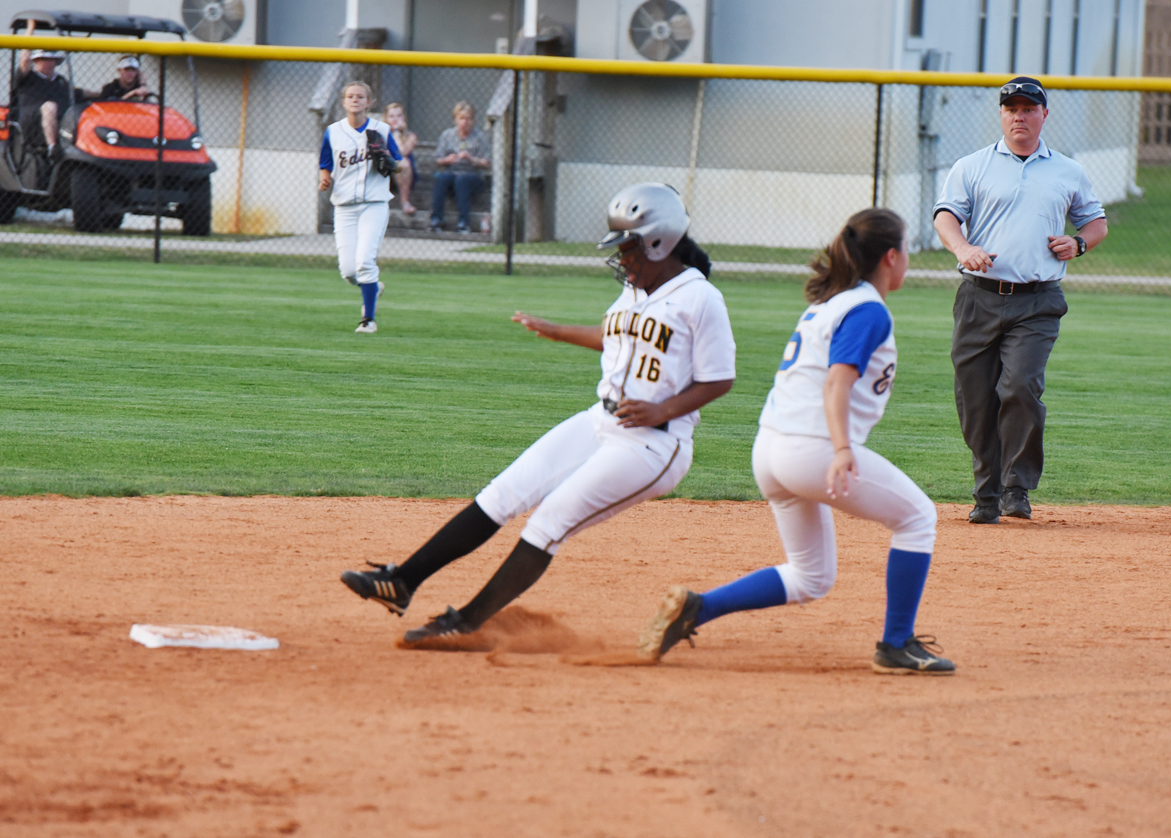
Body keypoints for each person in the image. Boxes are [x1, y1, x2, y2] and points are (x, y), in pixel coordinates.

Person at [341, 183, 737, 642]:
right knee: (504, 493)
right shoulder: (636, 290)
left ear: (659, 242)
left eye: (628, 248)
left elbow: (719, 378)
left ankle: (467, 624)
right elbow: (616, 336)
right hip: (599, 421)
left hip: (655, 444)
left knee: (550, 521)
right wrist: (557, 330)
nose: (622, 258)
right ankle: (402, 582)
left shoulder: (700, 299)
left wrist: (661, 409)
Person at [640, 208, 956, 675]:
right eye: (906, 249)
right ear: (891, 257)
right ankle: (896, 645)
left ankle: (697, 608)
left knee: (811, 576)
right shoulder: (866, 309)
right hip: (811, 450)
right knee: (917, 518)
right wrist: (844, 449)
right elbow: (836, 384)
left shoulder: (828, 304)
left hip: (771, 450)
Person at [933, 76, 1107, 524]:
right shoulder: (971, 166)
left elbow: (1095, 224)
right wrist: (962, 249)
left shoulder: (1067, 170)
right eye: (1012, 108)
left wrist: (1079, 244)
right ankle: (986, 494)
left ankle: (1016, 488)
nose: (1019, 116)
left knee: (1019, 387)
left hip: (1037, 301)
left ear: (1043, 115)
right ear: (1002, 114)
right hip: (979, 298)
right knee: (975, 399)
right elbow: (947, 216)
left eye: (1029, 108)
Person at [318, 80, 401, 334]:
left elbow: (399, 163)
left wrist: (387, 160)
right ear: (344, 102)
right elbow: (326, 162)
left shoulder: (382, 130)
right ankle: (373, 288)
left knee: (365, 261)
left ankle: (368, 320)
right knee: (349, 271)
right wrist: (325, 177)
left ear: (369, 103)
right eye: (350, 96)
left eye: (360, 97)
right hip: (344, 206)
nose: (355, 100)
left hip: (374, 204)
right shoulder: (333, 131)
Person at [14, 20, 72, 159]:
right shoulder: (28, 77)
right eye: (43, 59)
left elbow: (82, 93)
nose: (48, 62)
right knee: (50, 107)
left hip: (61, 121)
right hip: (33, 122)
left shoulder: (61, 81)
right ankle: (52, 147)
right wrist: (30, 29)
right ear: (36, 61)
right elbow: (24, 59)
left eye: (51, 59)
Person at [429, 102, 490, 233]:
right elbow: (437, 159)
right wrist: (448, 159)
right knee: (442, 178)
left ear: (473, 120)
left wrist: (471, 158)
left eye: (468, 119)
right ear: (456, 119)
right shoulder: (447, 135)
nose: (465, 122)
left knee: (461, 180)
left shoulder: (480, 137)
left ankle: (464, 222)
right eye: (462, 118)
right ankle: (436, 220)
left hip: (472, 176)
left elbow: (487, 162)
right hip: (451, 172)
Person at [384, 103, 419, 215]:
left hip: (404, 177)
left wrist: (397, 134)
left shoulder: (411, 136)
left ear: (404, 118)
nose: (395, 119)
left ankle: (405, 201)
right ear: (386, 118)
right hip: (383, 175)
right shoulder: (379, 134)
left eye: (399, 116)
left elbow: (401, 153)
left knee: (402, 163)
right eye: (392, 116)